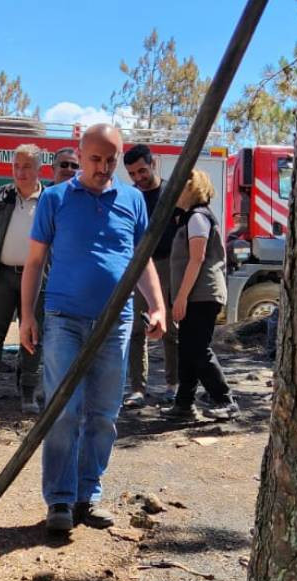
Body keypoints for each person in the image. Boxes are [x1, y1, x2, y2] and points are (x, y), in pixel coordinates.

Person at [20, 124, 167, 534]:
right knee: (64, 411)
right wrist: (28, 317)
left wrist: (157, 306)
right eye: (95, 159)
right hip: (64, 320)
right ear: (81, 156)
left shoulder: (134, 200)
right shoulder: (55, 199)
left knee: (103, 414)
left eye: (110, 160)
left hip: (115, 324)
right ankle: (61, 501)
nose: (103, 168)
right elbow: (33, 263)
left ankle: (89, 495)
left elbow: (143, 260)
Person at [0, 143, 45, 413]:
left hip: (36, 278)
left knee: (33, 334)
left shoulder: (49, 199)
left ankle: (28, 392)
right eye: (16, 166)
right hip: (1, 276)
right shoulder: (1, 196)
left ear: (39, 168)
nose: (20, 171)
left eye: (27, 166)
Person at [163, 169, 238, 422]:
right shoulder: (189, 218)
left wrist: (181, 297)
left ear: (191, 189)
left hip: (202, 295)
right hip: (196, 295)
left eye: (179, 187)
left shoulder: (197, 217)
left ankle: (225, 400)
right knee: (188, 350)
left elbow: (197, 259)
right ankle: (184, 403)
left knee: (197, 349)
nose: (173, 192)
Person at [121, 144, 180, 409]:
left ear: (153, 163)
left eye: (142, 170)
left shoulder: (172, 192)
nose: (138, 177)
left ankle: (173, 385)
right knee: (136, 330)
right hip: (138, 267)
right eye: (132, 173)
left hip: (168, 264)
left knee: (170, 328)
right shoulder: (131, 197)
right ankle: (137, 389)